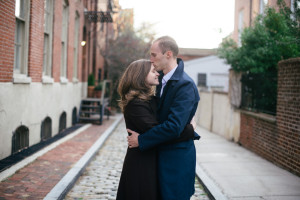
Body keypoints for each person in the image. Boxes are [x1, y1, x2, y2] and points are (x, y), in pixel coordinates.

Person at [127, 36, 200, 200]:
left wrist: (142, 140)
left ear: (168, 54)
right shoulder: (157, 80)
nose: (151, 60)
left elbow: (174, 127)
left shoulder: (185, 85)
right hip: (156, 161)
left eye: (154, 55)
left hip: (175, 162)